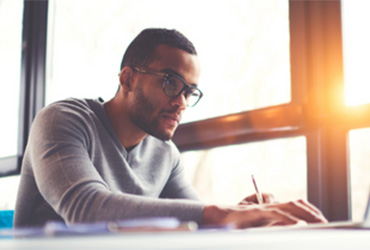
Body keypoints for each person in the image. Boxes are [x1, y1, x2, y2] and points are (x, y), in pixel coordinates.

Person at [14, 28, 327, 229]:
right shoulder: (62, 120)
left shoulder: (166, 155)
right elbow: (85, 208)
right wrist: (218, 213)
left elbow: (195, 216)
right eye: (170, 83)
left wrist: (240, 215)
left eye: (189, 91)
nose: (182, 102)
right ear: (127, 79)